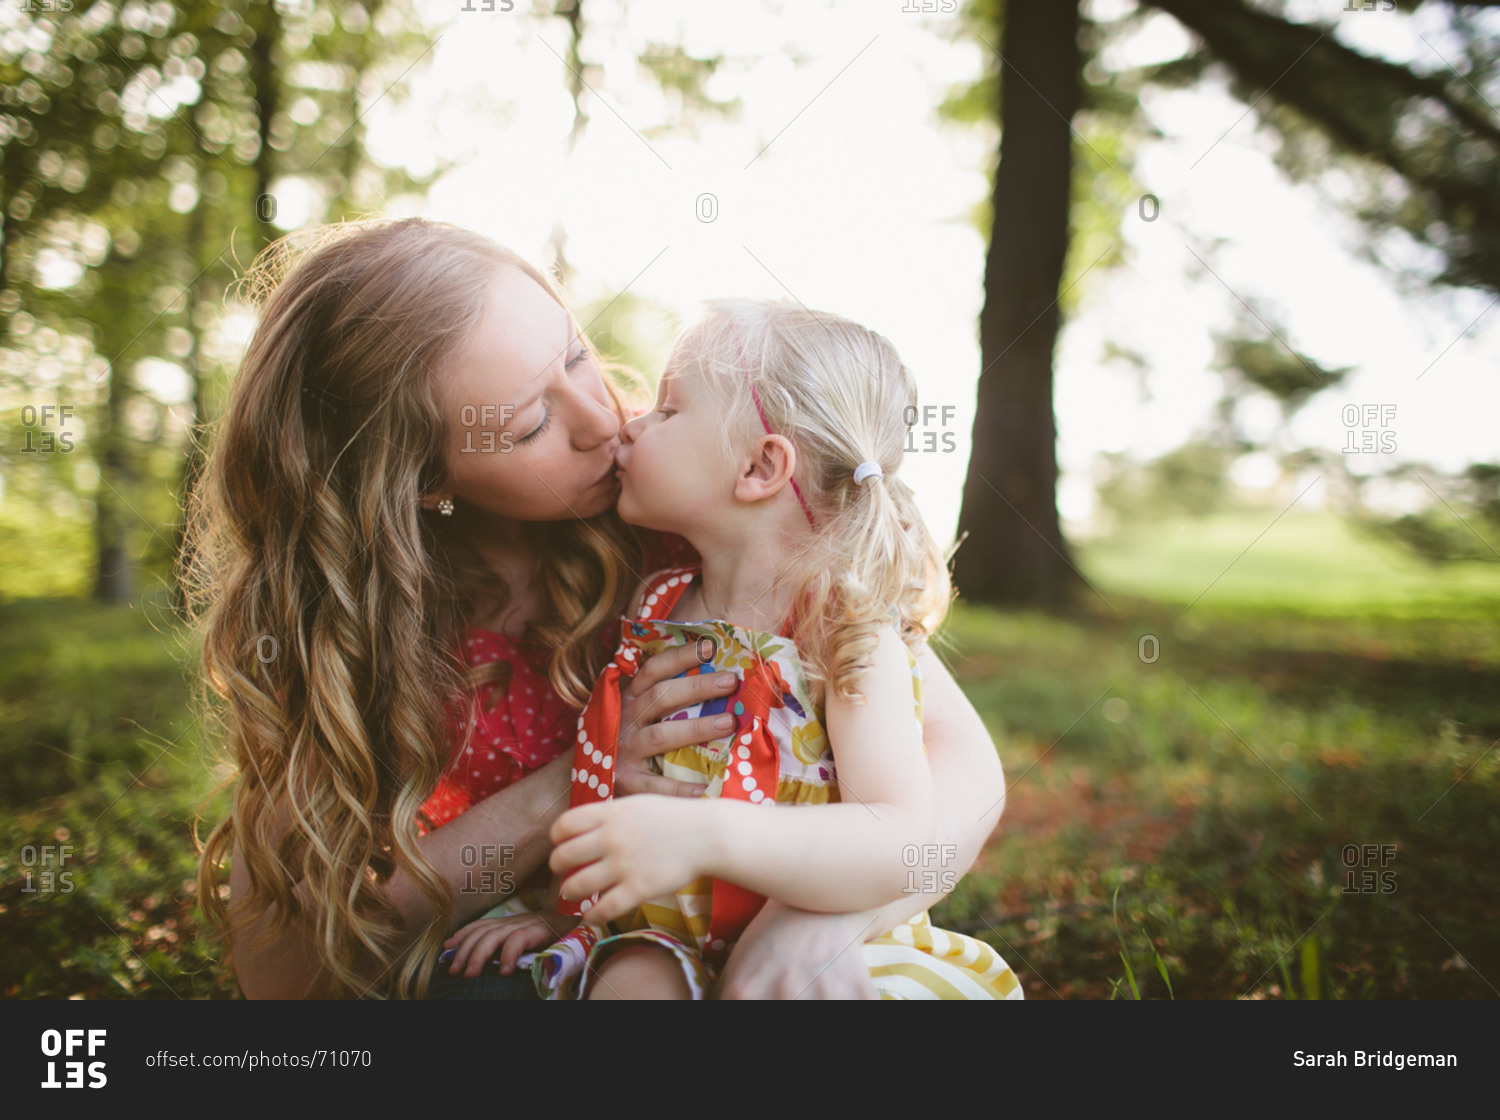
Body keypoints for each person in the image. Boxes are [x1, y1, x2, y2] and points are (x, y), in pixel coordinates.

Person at [186, 218, 1008, 999]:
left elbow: (963, 778)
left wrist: (819, 918)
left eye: (575, 355)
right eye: (532, 422)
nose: (603, 423)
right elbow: (285, 975)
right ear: (420, 480)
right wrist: (574, 786)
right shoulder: (345, 633)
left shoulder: (698, 529)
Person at [442, 300, 1022, 999]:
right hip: (663, 934)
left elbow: (899, 838)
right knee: (627, 986)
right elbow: (616, 774)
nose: (629, 424)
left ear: (759, 467)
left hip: (816, 933)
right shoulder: (657, 604)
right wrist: (562, 913)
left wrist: (709, 837)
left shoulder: (843, 632)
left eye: (666, 410)